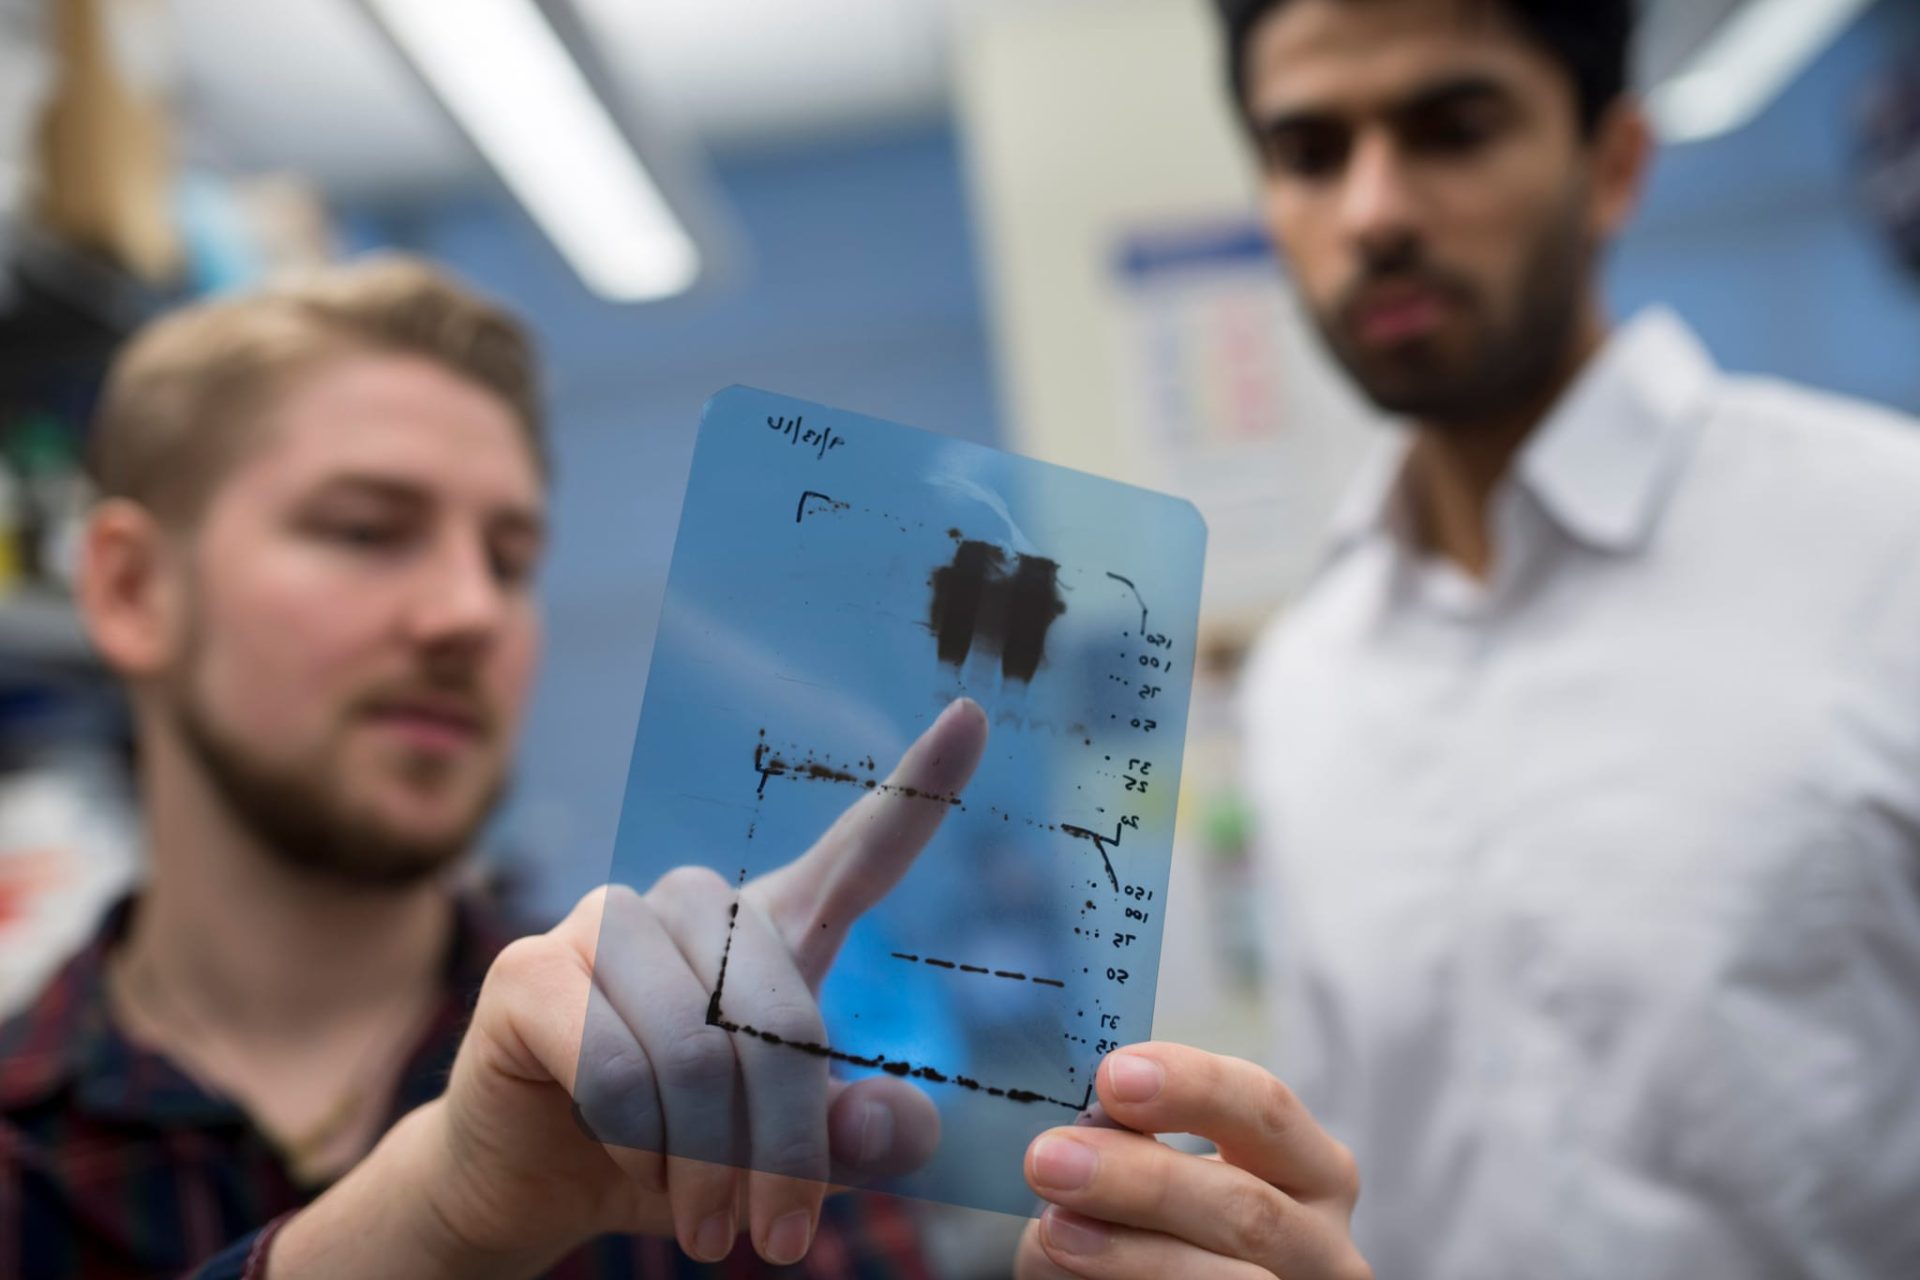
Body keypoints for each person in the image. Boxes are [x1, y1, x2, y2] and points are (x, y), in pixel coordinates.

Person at [0, 258, 1370, 1280]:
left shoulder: (713, 1100)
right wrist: (423, 1225)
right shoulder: (21, 1165)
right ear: (129, 587)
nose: (468, 611)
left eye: (511, 559)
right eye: (367, 531)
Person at [1214, 0, 1920, 1276]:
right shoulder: (1301, 682)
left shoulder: (1891, 545)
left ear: (1614, 163)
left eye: (1454, 129)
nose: (1372, 211)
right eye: (1311, 152)